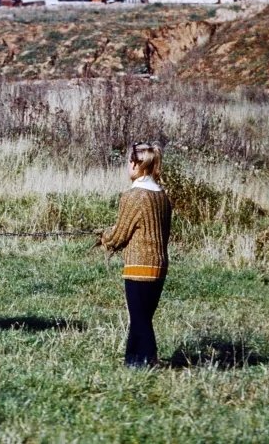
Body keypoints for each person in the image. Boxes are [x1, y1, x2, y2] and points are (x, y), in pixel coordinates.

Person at [100, 141, 172, 368]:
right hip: (159, 266)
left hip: (139, 267)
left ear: (135, 164)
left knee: (140, 321)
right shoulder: (162, 196)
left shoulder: (133, 196)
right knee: (142, 317)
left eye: (128, 162)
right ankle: (132, 361)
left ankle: (149, 361)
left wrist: (104, 237)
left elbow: (119, 236)